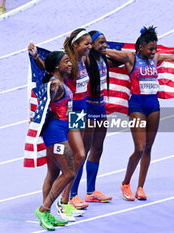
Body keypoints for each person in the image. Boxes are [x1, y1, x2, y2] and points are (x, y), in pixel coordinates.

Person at [105, 26, 174, 201]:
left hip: (153, 106)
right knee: (139, 148)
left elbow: (173, 57)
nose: (154, 52)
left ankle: (140, 187)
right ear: (140, 47)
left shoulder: (155, 58)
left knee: (148, 148)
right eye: (150, 49)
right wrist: (97, 48)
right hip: (137, 107)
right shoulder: (130, 58)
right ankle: (126, 183)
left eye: (155, 48)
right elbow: (107, 52)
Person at [28, 28, 92, 221]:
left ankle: (59, 205)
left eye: (90, 43)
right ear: (76, 45)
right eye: (86, 44)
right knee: (71, 161)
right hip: (64, 119)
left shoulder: (84, 61)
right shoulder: (68, 63)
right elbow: (50, 72)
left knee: (67, 164)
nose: (89, 46)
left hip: (77, 112)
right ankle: (58, 205)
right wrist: (37, 58)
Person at [32, 51, 76, 231]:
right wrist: (36, 59)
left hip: (62, 131)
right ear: (57, 66)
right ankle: (44, 209)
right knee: (69, 173)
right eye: (66, 61)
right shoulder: (56, 84)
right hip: (56, 133)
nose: (70, 64)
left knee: (52, 173)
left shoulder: (62, 83)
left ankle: (47, 214)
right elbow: (49, 89)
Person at [69, 30, 113, 207]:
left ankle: (90, 192)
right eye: (100, 43)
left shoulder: (104, 60)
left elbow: (126, 55)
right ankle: (72, 194)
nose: (104, 45)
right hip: (86, 107)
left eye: (105, 42)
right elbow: (73, 54)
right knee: (81, 152)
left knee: (98, 149)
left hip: (100, 106)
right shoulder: (85, 60)